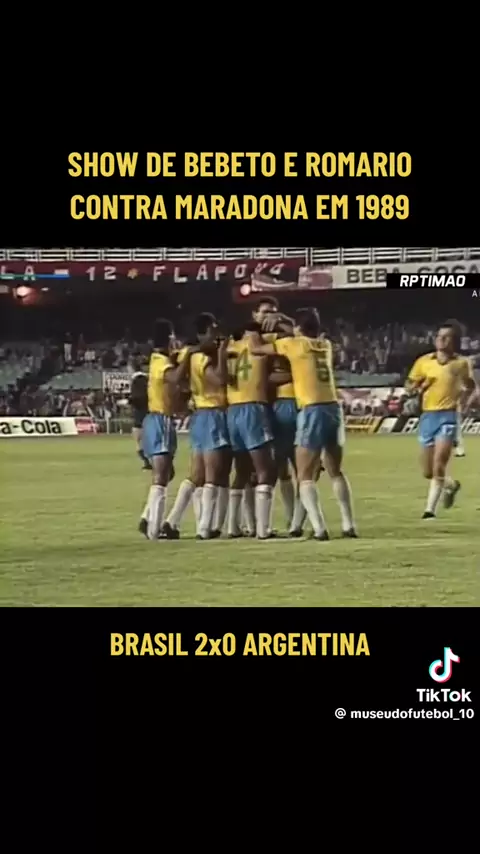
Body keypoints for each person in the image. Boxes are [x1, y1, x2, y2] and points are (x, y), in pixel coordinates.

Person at [251, 308, 356, 540]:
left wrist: (259, 329)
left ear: (298, 328)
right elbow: (303, 330)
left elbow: (256, 350)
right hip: (333, 408)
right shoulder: (325, 344)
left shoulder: (293, 345)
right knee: (335, 470)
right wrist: (285, 320)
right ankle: (349, 525)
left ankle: (319, 529)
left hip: (312, 409)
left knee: (304, 474)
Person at [163, 313, 231, 540]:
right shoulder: (201, 358)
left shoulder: (187, 353)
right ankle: (204, 528)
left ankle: (172, 520)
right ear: (203, 332)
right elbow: (219, 379)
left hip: (199, 415)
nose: (216, 335)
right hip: (213, 413)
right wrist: (222, 354)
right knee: (212, 474)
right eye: (212, 330)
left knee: (196, 475)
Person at [406, 321, 475, 518]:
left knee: (439, 465)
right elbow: (410, 385)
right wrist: (416, 388)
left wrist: (465, 403)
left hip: (448, 416)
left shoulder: (461, 363)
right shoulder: (424, 361)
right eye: (439, 336)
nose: (441, 339)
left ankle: (429, 511)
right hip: (428, 416)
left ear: (454, 341)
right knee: (428, 472)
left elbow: (471, 386)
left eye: (446, 337)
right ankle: (451, 485)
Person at [139, 319, 199, 540]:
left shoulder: (160, 359)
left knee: (166, 472)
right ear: (169, 337)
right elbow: (174, 377)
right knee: (161, 476)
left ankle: (147, 518)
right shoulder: (160, 362)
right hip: (160, 419)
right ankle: (153, 528)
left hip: (157, 419)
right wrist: (188, 355)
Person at [226, 322, 275, 540]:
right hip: (253, 407)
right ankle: (263, 530)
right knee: (265, 470)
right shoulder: (261, 344)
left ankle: (233, 527)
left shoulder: (231, 347)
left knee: (242, 471)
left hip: (233, 410)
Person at [129, 355, 151, 470]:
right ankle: (148, 461)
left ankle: (148, 462)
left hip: (141, 413)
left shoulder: (138, 380)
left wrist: (129, 401)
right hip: (147, 411)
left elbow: (139, 397)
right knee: (142, 439)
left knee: (138, 439)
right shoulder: (146, 379)